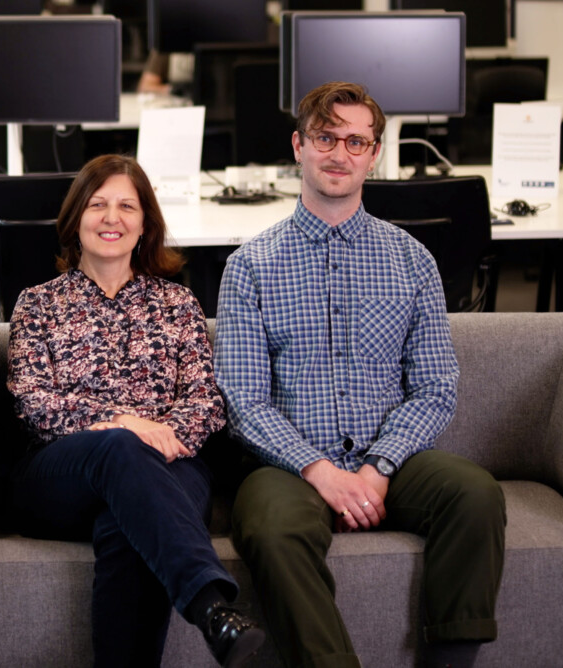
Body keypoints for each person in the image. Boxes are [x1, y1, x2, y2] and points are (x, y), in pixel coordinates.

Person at [213, 81, 507, 668]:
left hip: (392, 459)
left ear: (374, 154)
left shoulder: (411, 261)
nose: (339, 153)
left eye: (355, 141)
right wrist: (319, 470)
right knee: (271, 530)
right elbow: (243, 400)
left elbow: (435, 387)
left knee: (476, 495)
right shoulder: (250, 266)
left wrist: (378, 468)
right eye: (326, 137)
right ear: (299, 146)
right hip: (288, 464)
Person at [6, 154, 265, 668]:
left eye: (127, 206)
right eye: (97, 204)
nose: (112, 218)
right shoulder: (37, 304)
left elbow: (207, 400)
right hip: (62, 475)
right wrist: (128, 425)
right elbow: (33, 400)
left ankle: (214, 615)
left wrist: (160, 434)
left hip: (171, 466)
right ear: (75, 218)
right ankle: (211, 604)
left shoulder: (178, 304)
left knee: (127, 526)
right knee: (121, 449)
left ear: (145, 224)